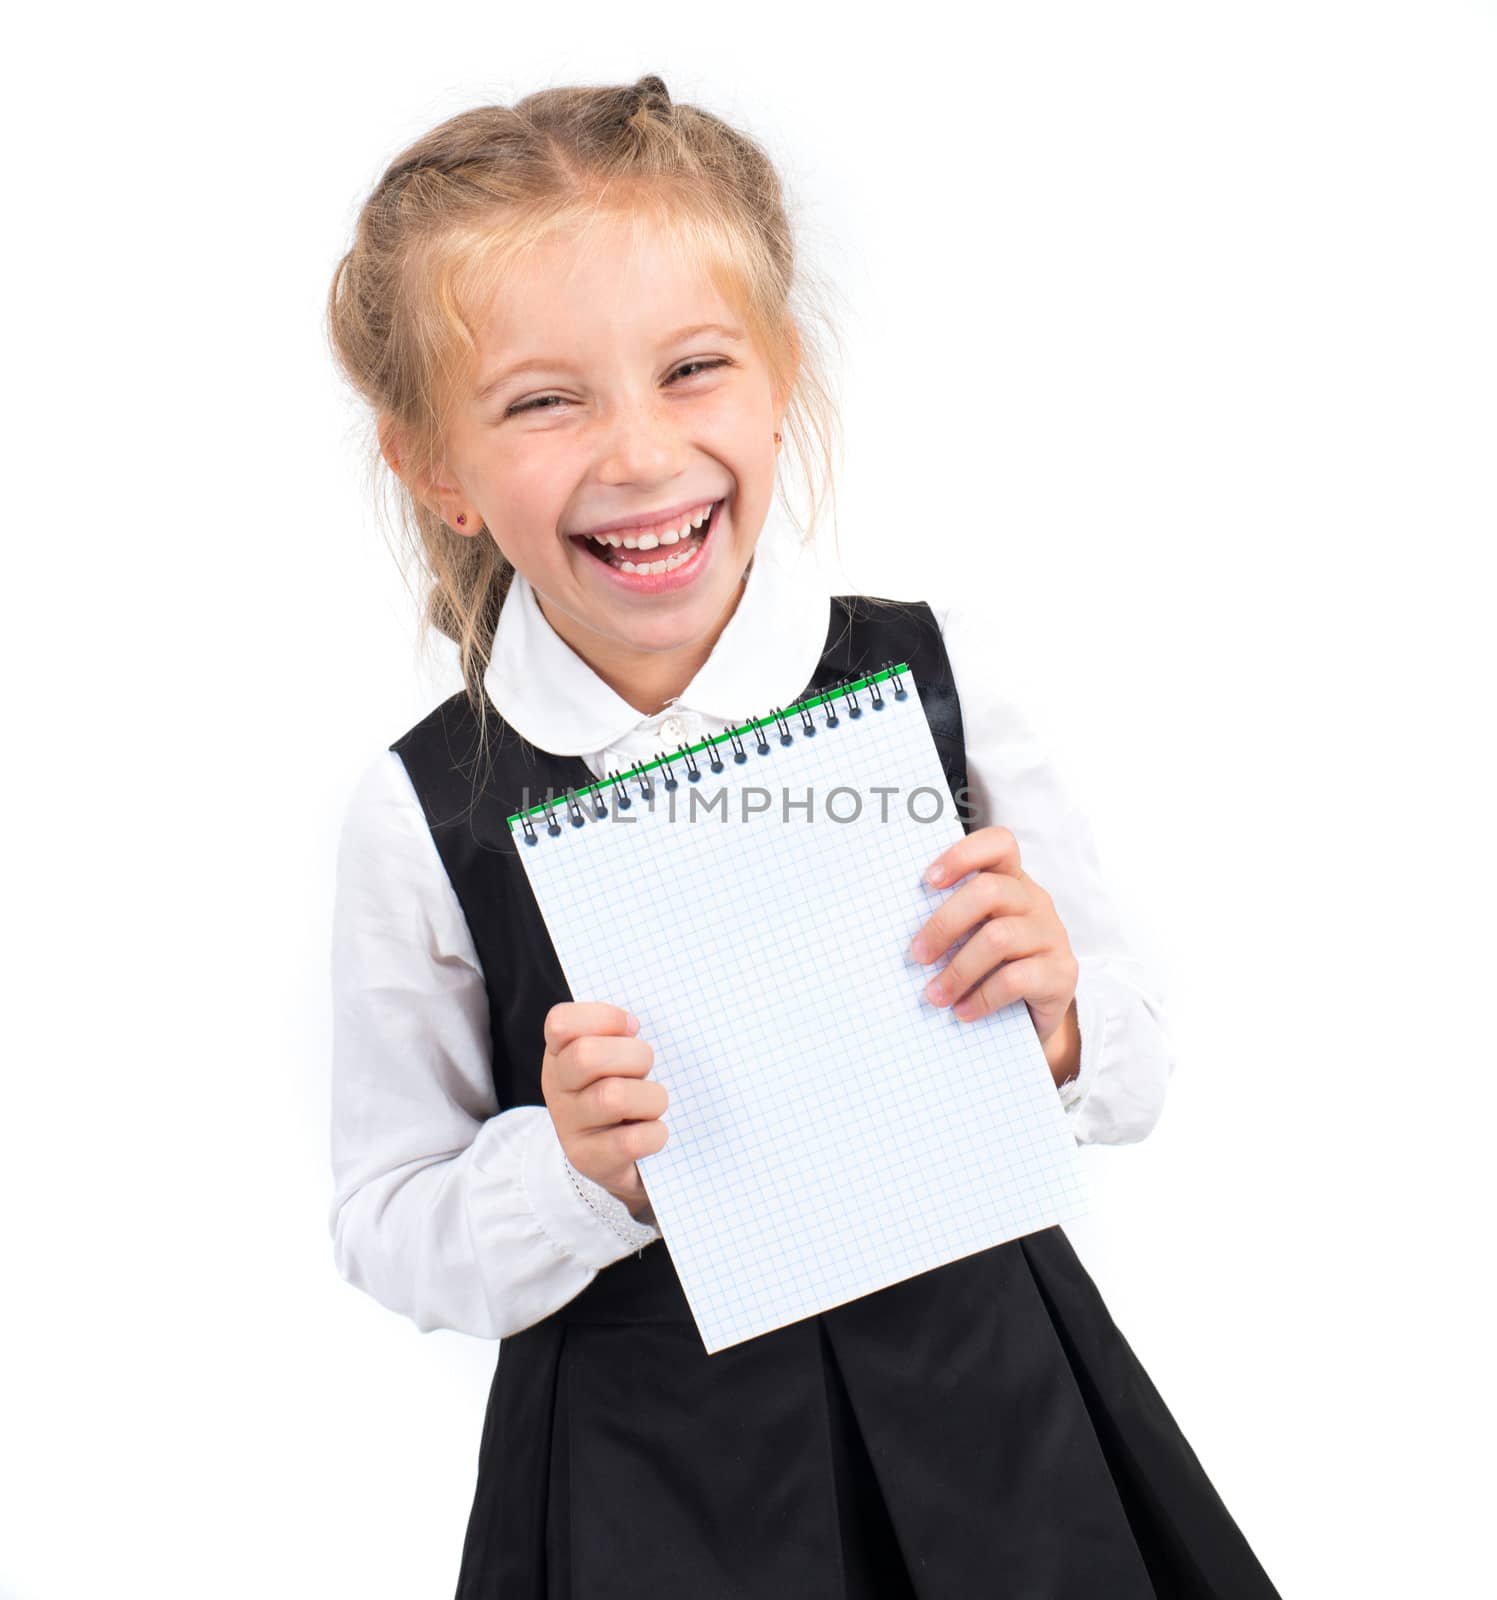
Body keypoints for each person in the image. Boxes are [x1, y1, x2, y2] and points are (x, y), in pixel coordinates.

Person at [326, 73, 1281, 1599]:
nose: (637, 454)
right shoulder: (430, 809)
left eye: (690, 369)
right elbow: (387, 1220)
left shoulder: (930, 677)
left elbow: (1134, 1063)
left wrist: (1053, 1023)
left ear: (778, 381)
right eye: (542, 399)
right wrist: (573, 1171)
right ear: (435, 467)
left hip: (1000, 1418)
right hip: (651, 1488)